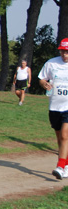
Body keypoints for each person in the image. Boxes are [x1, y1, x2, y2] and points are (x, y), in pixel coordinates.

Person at [38, 38, 68, 180]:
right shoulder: (51, 63)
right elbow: (42, 78)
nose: (64, 55)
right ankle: (66, 164)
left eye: (67, 52)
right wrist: (44, 84)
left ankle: (60, 167)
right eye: (62, 51)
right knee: (60, 139)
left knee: (64, 135)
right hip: (55, 106)